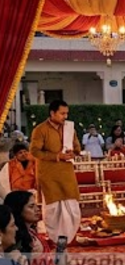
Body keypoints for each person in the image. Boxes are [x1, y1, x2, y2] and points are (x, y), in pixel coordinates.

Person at [30, 100, 82, 243]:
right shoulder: (40, 130)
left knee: (73, 210)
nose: (65, 116)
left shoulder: (69, 128)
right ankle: (56, 240)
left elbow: (77, 148)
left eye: (67, 113)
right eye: (62, 113)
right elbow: (34, 151)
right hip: (49, 175)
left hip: (67, 174)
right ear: (52, 113)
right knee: (53, 210)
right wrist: (57, 156)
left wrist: (74, 153)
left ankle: (68, 238)